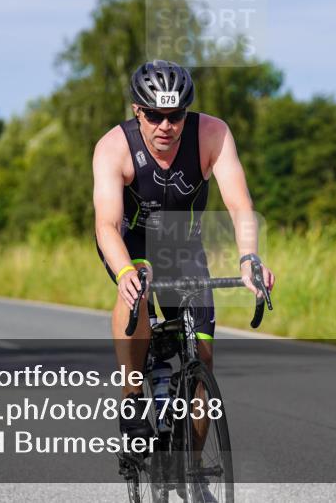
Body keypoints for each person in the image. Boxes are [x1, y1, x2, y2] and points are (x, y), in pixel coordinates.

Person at [93, 60, 276, 444]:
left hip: (182, 244)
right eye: (156, 116)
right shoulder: (113, 147)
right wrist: (125, 272)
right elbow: (107, 225)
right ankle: (132, 397)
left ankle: (194, 471)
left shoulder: (213, 134)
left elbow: (240, 205)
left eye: (175, 115)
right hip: (131, 242)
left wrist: (249, 258)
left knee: (203, 358)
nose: (166, 126)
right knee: (136, 291)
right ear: (137, 110)